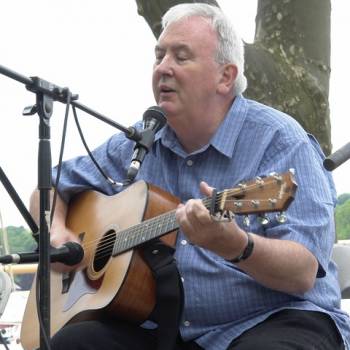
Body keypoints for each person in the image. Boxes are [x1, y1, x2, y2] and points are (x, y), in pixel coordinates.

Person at [29, 3, 349, 350]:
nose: (163, 68)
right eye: (159, 56)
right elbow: (51, 186)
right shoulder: (140, 140)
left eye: (180, 57)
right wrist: (58, 234)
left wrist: (236, 246)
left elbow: (302, 272)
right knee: (70, 343)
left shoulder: (282, 142)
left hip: (274, 318)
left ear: (225, 76)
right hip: (166, 326)